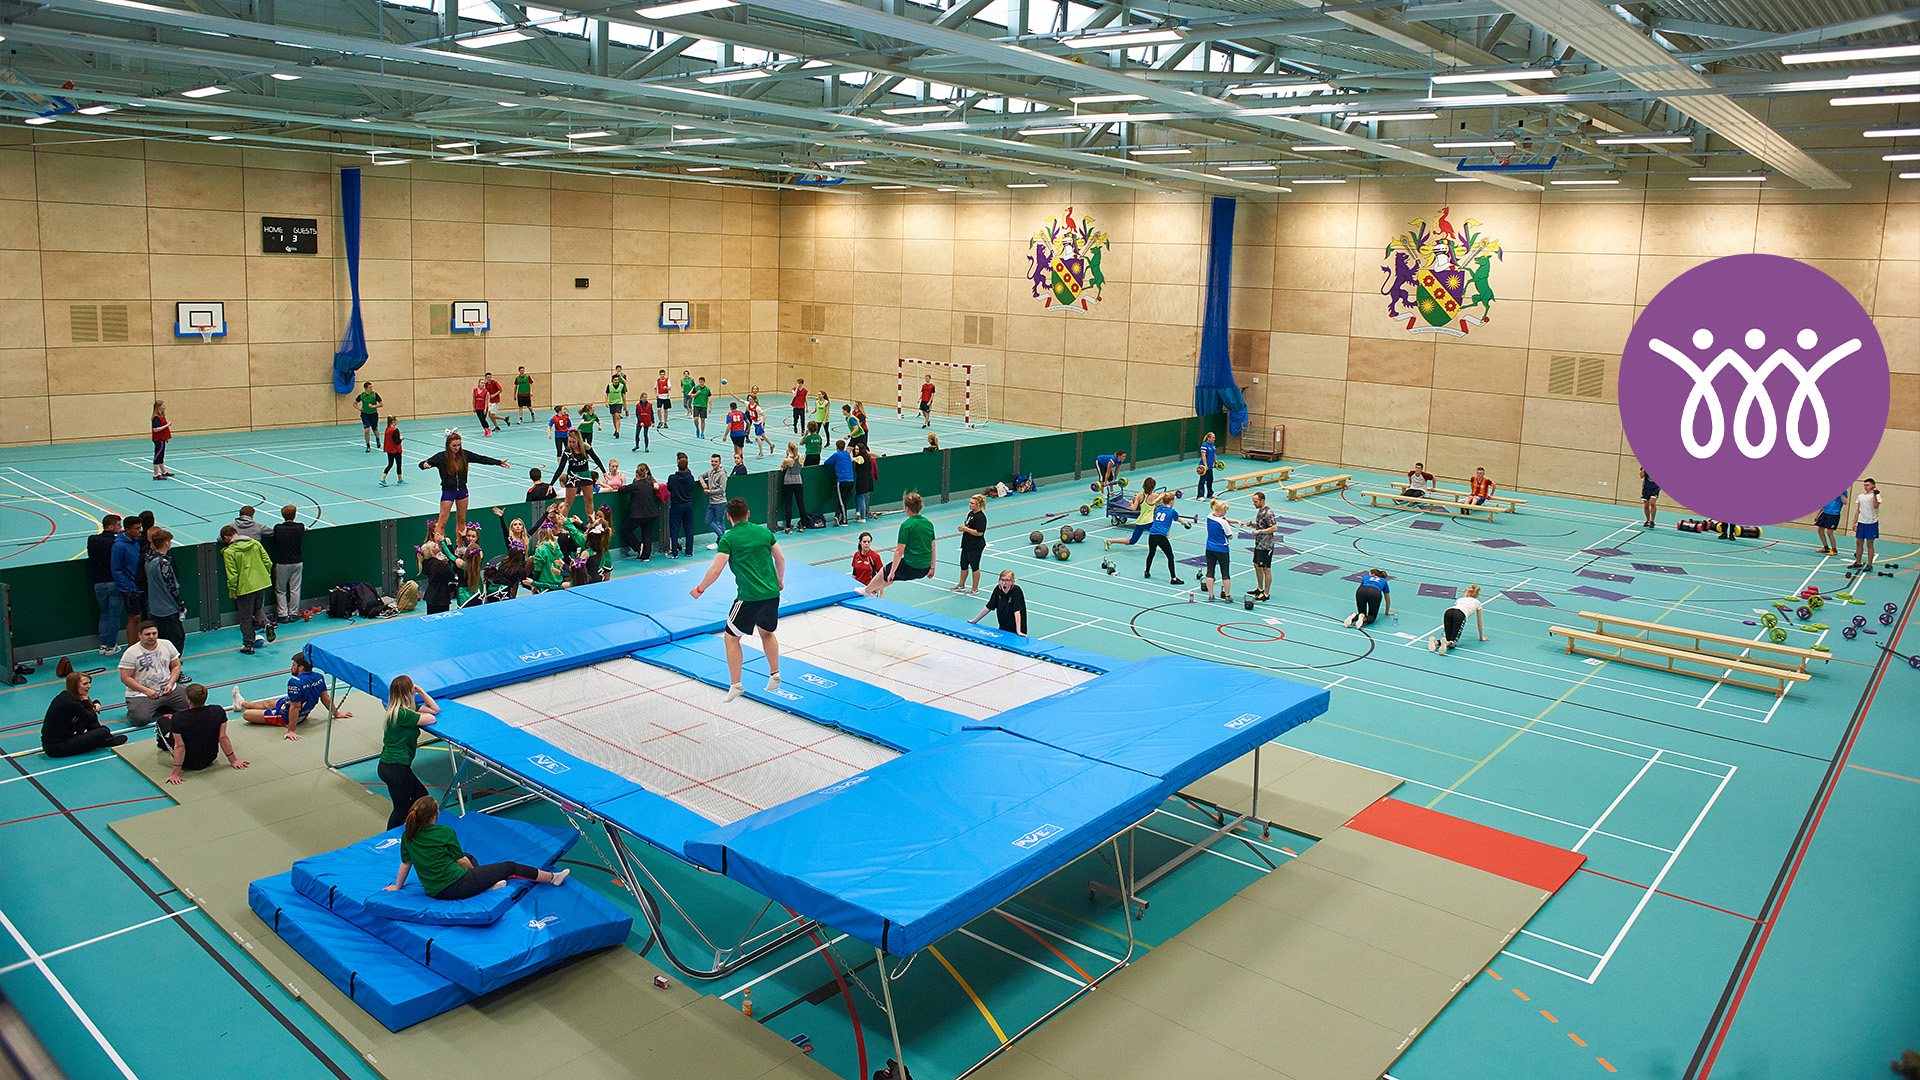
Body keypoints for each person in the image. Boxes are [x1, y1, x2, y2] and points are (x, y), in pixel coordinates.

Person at [689, 496, 785, 703]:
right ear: (748, 514)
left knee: (731, 638)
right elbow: (780, 558)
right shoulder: (765, 533)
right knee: (767, 633)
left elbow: (716, 569)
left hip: (749, 598)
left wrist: (700, 588)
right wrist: (779, 580)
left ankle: (736, 684)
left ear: (729, 517)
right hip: (772, 595)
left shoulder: (728, 539)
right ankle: (775, 673)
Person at [387, 797, 570, 900]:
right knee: (509, 867)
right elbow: (461, 862)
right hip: (454, 887)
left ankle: (487, 885)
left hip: (434, 890)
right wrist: (476, 875)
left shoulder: (408, 835)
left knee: (469, 855)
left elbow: (406, 864)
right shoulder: (443, 832)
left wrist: (397, 886)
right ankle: (553, 878)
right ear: (436, 814)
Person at [232, 652, 348, 740]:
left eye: (293, 665)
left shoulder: (295, 682)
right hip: (295, 708)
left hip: (285, 717)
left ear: (301, 668)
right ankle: (242, 703)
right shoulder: (318, 676)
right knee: (269, 703)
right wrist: (336, 713)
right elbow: (325, 698)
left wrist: (291, 730)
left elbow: (295, 708)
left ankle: (243, 707)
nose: (291, 667)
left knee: (247, 715)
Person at [419, 431, 510, 539]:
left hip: (462, 490)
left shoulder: (464, 455)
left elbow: (481, 459)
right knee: (442, 521)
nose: (457, 448)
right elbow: (422, 464)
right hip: (448, 491)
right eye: (454, 446)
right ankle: (437, 545)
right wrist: (424, 465)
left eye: (458, 445)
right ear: (448, 445)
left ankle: (461, 545)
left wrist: (498, 462)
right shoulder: (441, 457)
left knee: (461, 520)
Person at [377, 676, 439, 830]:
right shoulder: (403, 714)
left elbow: (435, 709)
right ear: (407, 692)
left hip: (393, 766)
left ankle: (414, 827)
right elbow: (432, 718)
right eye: (413, 688)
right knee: (400, 808)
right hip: (395, 768)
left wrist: (421, 691)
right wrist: (418, 692)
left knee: (421, 796)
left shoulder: (400, 709)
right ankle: (391, 837)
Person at [163, 683, 246, 784]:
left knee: (163, 722)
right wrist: (234, 760)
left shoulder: (178, 718)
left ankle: (162, 743)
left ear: (188, 700)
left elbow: (180, 747)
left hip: (188, 763)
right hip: (210, 758)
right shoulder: (218, 710)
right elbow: (223, 738)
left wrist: (175, 774)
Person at [119, 621, 189, 729]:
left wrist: (171, 683)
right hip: (143, 694)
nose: (151, 637)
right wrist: (146, 691)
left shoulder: (166, 644)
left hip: (168, 690)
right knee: (140, 719)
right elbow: (125, 677)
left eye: (154, 633)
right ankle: (141, 706)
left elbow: (176, 666)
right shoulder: (131, 653)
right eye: (147, 634)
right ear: (139, 635)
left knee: (193, 703)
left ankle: (162, 705)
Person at [42, 672, 127, 757]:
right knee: (103, 730)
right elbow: (92, 717)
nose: (89, 686)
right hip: (56, 747)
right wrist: (86, 701)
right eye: (85, 684)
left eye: (89, 683)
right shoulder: (70, 702)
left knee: (90, 720)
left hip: (60, 741)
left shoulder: (68, 696)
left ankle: (103, 739)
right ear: (74, 685)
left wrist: (95, 703)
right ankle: (103, 739)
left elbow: (84, 712)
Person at [868, 491, 934, 598]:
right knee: (889, 576)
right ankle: (874, 592)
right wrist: (932, 568)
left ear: (907, 508)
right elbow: (933, 547)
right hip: (925, 568)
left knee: (885, 572)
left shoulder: (906, 525)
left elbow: (899, 551)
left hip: (911, 567)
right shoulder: (928, 523)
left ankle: (866, 591)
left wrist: (892, 572)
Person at [220, 524, 275, 654]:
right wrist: (264, 576)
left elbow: (232, 574)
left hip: (245, 587)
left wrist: (233, 590)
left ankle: (248, 645)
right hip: (262, 583)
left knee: (245, 617)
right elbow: (268, 562)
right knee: (257, 608)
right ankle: (266, 623)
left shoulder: (229, 552)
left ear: (227, 537)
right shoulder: (255, 544)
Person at [143, 528, 187, 655]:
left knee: (161, 640)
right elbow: (172, 587)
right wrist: (180, 605)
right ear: (166, 543)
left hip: (154, 607)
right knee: (177, 639)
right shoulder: (163, 563)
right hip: (167, 608)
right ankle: (173, 667)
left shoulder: (148, 560)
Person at [88, 514, 124, 656]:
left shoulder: (92, 540)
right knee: (114, 615)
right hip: (113, 583)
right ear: (111, 526)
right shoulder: (116, 542)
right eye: (118, 525)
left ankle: (102, 644)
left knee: (104, 613)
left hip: (98, 583)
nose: (120, 528)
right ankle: (111, 645)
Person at [112, 517, 147, 648]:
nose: (140, 530)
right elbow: (116, 569)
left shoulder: (138, 542)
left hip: (142, 587)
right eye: (137, 528)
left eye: (140, 527)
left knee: (145, 618)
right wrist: (127, 588)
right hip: (131, 590)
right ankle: (132, 648)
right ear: (127, 530)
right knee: (134, 618)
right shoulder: (119, 546)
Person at [555, 431, 604, 520]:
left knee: (589, 500)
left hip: (585, 475)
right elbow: (561, 468)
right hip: (573, 477)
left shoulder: (586, 447)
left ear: (579, 440)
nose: (572, 444)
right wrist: (551, 484)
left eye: (574, 442)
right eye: (570, 442)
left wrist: (604, 472)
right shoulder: (568, 451)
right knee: (568, 503)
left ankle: (590, 522)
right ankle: (560, 523)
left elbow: (596, 459)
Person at [1430, 584, 1488, 655]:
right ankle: (1447, 644)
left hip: (1448, 611)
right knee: (1453, 643)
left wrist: (1445, 627)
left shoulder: (1460, 599)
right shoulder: (1478, 603)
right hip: (1460, 615)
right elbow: (1480, 622)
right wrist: (1481, 637)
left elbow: (1454, 610)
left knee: (1448, 638)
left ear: (1468, 594)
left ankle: (1436, 642)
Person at [1143, 490, 1186, 586]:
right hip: (1161, 536)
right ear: (1171, 502)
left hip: (1152, 535)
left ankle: (1147, 571)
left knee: (1151, 553)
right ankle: (1173, 578)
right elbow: (1179, 519)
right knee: (1170, 556)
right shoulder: (1172, 512)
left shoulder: (1158, 509)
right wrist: (1186, 524)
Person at [271, 505, 305, 622]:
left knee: (280, 590)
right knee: (295, 589)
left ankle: (282, 614)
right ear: (294, 515)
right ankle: (293, 613)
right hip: (297, 561)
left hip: (282, 563)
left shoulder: (278, 528)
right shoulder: (300, 527)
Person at [1104, 477, 1160, 550]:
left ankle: (1110, 541)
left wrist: (1131, 503)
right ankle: (1163, 546)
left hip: (1140, 522)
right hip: (1150, 522)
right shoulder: (1156, 496)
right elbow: (1155, 508)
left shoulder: (1139, 495)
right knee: (1162, 529)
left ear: (1144, 486)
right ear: (1153, 487)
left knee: (1132, 541)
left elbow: (1133, 509)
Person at [621, 463, 662, 560]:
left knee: (625, 529)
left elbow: (622, 490)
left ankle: (638, 547)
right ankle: (645, 555)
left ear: (636, 476)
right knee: (647, 534)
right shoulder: (650, 484)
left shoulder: (635, 486)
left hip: (639, 515)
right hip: (651, 513)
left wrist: (622, 485)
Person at [970, 571, 1026, 636]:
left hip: (1017, 627)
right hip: (1003, 626)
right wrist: (975, 620)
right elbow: (989, 606)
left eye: (1007, 580)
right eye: (1002, 580)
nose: (1004, 583)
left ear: (1012, 582)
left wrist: (1018, 631)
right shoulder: (998, 590)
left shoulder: (1016, 591)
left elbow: (1017, 611)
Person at [1244, 490, 1277, 602]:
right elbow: (1261, 525)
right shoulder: (1260, 511)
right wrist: (1253, 525)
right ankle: (1260, 588)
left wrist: (1260, 532)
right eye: (1253, 502)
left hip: (1266, 546)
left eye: (1256, 502)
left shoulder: (1268, 513)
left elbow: (1274, 528)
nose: (1254, 504)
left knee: (1266, 569)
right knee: (1256, 565)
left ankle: (1266, 594)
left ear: (1262, 501)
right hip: (1258, 544)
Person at [490, 508, 530, 598]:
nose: (518, 526)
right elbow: (504, 530)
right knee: (514, 582)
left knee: (532, 559)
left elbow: (536, 527)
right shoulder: (510, 539)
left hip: (523, 566)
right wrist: (501, 517)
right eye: (515, 525)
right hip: (514, 566)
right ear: (512, 528)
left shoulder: (525, 538)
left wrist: (546, 512)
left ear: (523, 527)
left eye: (520, 524)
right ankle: (512, 597)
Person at [954, 493, 987, 594]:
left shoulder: (981, 517)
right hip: (967, 544)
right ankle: (961, 585)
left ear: (978, 505)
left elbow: (979, 532)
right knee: (963, 564)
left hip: (975, 545)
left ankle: (974, 588)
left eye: (972, 503)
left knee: (974, 566)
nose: (970, 505)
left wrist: (966, 529)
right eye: (970, 502)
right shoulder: (970, 514)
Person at [1201, 499, 1234, 603]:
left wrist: (1236, 521)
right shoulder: (1223, 523)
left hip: (1210, 548)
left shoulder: (1209, 516)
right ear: (1221, 511)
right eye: (1224, 511)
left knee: (1210, 571)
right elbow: (1230, 536)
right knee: (1225, 572)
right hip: (1222, 549)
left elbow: (1223, 519)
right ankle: (1227, 595)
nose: (1225, 513)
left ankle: (1211, 595)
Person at [667, 453, 697, 558]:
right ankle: (689, 551)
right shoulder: (690, 477)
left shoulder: (672, 478)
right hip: (688, 505)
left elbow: (669, 489)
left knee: (674, 529)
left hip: (676, 506)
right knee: (689, 528)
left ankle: (674, 552)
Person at [417, 540, 458, 613]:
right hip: (440, 598)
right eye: (435, 546)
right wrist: (446, 563)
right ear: (432, 551)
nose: (437, 545)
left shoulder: (426, 563)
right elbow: (451, 576)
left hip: (430, 596)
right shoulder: (440, 565)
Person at [1851, 478, 1882, 572]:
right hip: (1861, 522)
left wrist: (1874, 494)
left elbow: (1876, 506)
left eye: (1867, 485)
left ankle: (1869, 564)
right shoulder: (1860, 496)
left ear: (1873, 485)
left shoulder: (1876, 496)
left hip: (1871, 523)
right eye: (1864, 485)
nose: (1865, 487)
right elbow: (1858, 510)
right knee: (1859, 542)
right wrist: (1854, 522)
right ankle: (1858, 562)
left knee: (1870, 544)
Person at [778, 443, 809, 534]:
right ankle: (803, 524)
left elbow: (782, 466)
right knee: (801, 503)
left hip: (788, 482)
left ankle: (788, 527)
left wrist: (786, 455)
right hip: (798, 481)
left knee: (788, 505)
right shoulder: (801, 457)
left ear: (789, 449)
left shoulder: (788, 460)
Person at [701, 452, 729, 549]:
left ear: (720, 462)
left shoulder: (722, 475)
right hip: (711, 502)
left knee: (720, 523)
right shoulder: (710, 472)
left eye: (716, 461)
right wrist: (703, 483)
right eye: (712, 461)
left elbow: (722, 490)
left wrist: (709, 491)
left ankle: (721, 540)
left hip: (720, 503)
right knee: (708, 520)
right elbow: (701, 476)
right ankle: (723, 538)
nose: (713, 463)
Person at [1814, 488, 1849, 556]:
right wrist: (1818, 514)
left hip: (1834, 514)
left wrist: (1841, 494)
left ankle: (1834, 549)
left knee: (1829, 532)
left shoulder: (1844, 491)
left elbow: (1845, 502)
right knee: (1820, 530)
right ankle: (1826, 547)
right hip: (1825, 513)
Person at [853, 445, 882, 522]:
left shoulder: (860, 458)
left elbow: (852, 459)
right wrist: (880, 456)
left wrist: (848, 451)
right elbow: (871, 453)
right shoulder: (868, 456)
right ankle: (858, 512)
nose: (855, 451)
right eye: (855, 449)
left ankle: (862, 517)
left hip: (862, 480)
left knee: (861, 497)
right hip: (867, 480)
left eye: (857, 449)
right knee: (858, 495)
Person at [379, 416, 406, 486]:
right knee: (399, 464)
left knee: (390, 464)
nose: (397, 421)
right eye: (396, 420)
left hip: (389, 450)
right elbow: (396, 441)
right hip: (396, 450)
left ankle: (382, 478)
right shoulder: (395, 430)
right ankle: (400, 480)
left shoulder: (387, 429)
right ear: (393, 421)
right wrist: (401, 439)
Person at [150, 400, 173, 480]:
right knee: (157, 456)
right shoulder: (156, 418)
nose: (164, 407)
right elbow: (155, 429)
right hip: (158, 439)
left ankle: (164, 472)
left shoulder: (161, 416)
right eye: (163, 406)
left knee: (161, 456)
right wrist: (167, 425)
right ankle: (156, 474)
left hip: (162, 438)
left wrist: (166, 437)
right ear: (158, 407)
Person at [356, 382, 382, 451]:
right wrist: (359, 408)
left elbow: (381, 404)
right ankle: (368, 445)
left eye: (371, 387)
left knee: (375, 430)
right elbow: (354, 403)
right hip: (365, 414)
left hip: (373, 414)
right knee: (367, 430)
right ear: (365, 388)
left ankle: (378, 440)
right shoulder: (361, 395)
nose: (371, 388)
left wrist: (374, 406)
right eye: (369, 387)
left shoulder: (375, 394)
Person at [1195, 432, 1216, 501]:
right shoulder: (1204, 445)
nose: (1214, 439)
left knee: (1210, 480)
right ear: (1208, 438)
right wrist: (1205, 465)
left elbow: (1214, 454)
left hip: (1210, 466)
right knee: (1202, 481)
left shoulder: (1212, 445)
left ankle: (1210, 494)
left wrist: (1215, 462)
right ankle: (1199, 496)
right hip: (1203, 467)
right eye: (1213, 437)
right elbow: (1203, 456)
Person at [606, 367, 626, 439]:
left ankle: (617, 431)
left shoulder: (621, 386)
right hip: (612, 403)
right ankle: (615, 429)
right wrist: (606, 402)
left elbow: (623, 395)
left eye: (617, 380)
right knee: (614, 417)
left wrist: (624, 404)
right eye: (615, 380)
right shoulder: (609, 386)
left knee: (617, 416)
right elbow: (607, 393)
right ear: (612, 380)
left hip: (619, 402)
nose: (617, 381)